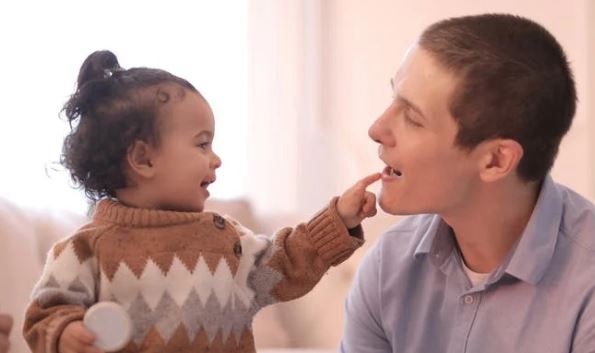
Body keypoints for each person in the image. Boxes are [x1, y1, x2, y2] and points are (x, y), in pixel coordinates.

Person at [23, 50, 379, 353]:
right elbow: (44, 314)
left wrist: (338, 220)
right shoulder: (85, 250)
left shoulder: (225, 242)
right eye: (202, 144)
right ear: (144, 159)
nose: (216, 158)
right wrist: (65, 333)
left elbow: (286, 264)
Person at [340, 13, 595, 352]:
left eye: (413, 118)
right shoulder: (388, 267)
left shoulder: (586, 285)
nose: (377, 129)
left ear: (495, 160)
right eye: (393, 100)